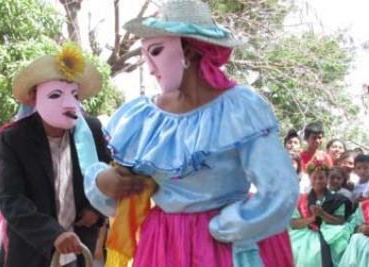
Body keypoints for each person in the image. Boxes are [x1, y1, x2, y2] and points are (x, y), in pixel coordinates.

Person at [84, 1, 299, 266]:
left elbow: (280, 189)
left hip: (224, 247)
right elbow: (127, 191)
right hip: (165, 245)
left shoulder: (238, 109)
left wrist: (233, 225)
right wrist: (103, 182)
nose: (150, 67)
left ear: (189, 50)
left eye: (157, 51)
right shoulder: (145, 118)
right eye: (146, 54)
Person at [0, 42, 110, 267]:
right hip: (33, 253)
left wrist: (95, 210)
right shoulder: (15, 138)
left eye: (74, 94)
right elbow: (11, 198)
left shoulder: (92, 130)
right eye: (56, 94)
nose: (68, 103)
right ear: (33, 97)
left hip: (80, 249)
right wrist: (53, 235)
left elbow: (105, 176)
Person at [289, 161, 350, 267]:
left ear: (327, 179)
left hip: (330, 233)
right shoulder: (300, 199)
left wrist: (322, 214)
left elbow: (340, 221)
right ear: (309, 179)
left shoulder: (338, 200)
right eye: (314, 178)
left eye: (321, 178)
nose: (317, 181)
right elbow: (293, 223)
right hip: (304, 232)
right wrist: (311, 219)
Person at [338, 171, 369, 267]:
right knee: (356, 238)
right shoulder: (364, 205)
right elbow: (353, 226)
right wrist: (361, 228)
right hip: (368, 240)